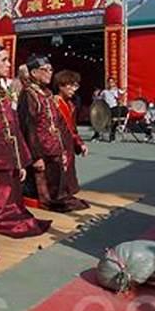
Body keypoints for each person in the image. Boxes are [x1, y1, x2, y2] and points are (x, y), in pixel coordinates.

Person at [0, 42, 51, 237]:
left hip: (10, 162)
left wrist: (21, 161)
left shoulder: (1, 92)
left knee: (19, 212)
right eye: (4, 60)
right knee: (4, 214)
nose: (9, 64)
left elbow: (15, 128)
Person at [18, 57, 89, 212]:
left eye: (51, 69)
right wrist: (35, 156)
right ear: (34, 72)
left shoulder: (47, 93)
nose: (50, 73)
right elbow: (27, 127)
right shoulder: (29, 94)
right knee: (46, 189)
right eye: (46, 69)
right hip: (41, 149)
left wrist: (70, 144)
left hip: (54, 145)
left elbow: (60, 122)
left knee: (60, 184)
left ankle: (61, 197)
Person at [53, 70, 91, 211]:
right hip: (57, 144)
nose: (73, 89)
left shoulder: (71, 105)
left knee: (68, 172)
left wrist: (80, 143)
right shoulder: (54, 103)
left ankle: (67, 196)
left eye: (75, 86)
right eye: (70, 85)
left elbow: (73, 129)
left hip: (68, 144)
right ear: (61, 86)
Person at [100, 77, 125, 142]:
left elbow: (121, 98)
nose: (110, 83)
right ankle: (97, 135)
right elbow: (100, 99)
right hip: (105, 109)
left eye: (112, 82)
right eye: (109, 82)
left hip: (114, 108)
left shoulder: (117, 91)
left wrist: (119, 98)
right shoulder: (104, 92)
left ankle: (112, 135)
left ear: (114, 83)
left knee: (114, 121)